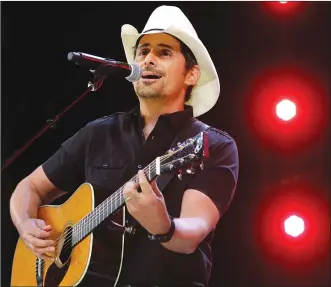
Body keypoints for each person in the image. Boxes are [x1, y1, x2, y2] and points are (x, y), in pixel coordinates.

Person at [10, 5, 239, 287]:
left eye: (164, 52)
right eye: (142, 52)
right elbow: (29, 188)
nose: (148, 59)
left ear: (191, 75)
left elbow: (194, 231)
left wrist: (163, 226)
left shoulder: (210, 144)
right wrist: (26, 225)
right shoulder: (99, 132)